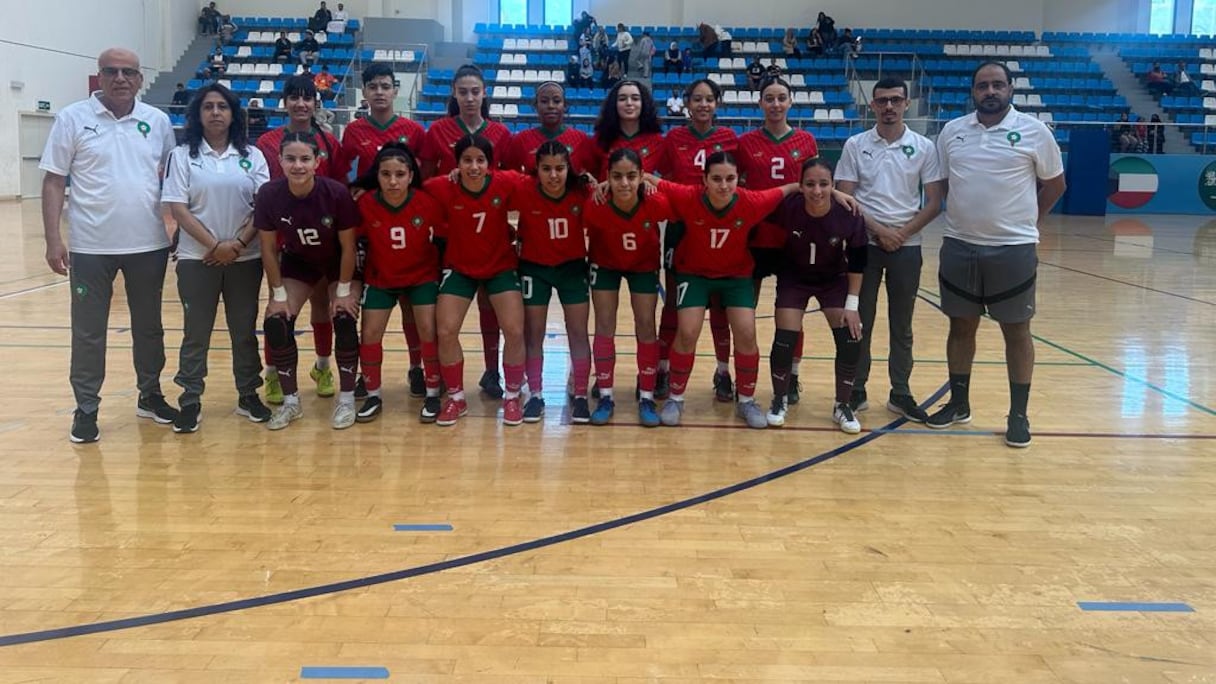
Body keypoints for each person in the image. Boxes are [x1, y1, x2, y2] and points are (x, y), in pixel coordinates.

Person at [40, 47, 178, 443]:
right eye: (111, 71)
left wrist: (172, 228)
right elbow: (53, 181)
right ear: (98, 77)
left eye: (129, 72)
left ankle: (150, 395)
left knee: (149, 328)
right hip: (89, 247)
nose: (120, 78)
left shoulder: (158, 120)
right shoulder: (72, 118)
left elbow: (172, 179)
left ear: (140, 78)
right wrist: (54, 239)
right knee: (88, 332)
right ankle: (86, 408)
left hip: (148, 245)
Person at [931, 61, 1066, 448]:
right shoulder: (953, 132)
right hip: (959, 244)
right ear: (972, 92)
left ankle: (1018, 414)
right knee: (960, 328)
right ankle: (959, 404)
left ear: (1010, 89)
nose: (989, 91)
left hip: (1013, 249)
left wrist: (1029, 221)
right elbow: (941, 184)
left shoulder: (1034, 132)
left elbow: (1055, 185)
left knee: (1017, 332)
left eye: (997, 85)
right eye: (982, 86)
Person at [644, 154, 797, 429]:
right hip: (693, 274)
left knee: (747, 333)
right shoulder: (688, 196)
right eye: (716, 179)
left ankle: (747, 400)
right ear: (704, 180)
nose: (724, 185)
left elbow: (790, 187)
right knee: (688, 331)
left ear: (738, 180)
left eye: (730, 179)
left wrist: (834, 193)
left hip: (736, 276)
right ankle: (676, 399)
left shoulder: (750, 201)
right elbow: (650, 177)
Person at [162, 83, 272, 433]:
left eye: (222, 106)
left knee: (243, 330)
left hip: (245, 257)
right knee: (196, 332)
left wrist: (237, 243)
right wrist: (214, 246)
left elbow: (263, 206)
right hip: (198, 259)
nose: (215, 112)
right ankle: (190, 399)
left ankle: (248, 394)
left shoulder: (252, 155)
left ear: (233, 113)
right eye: (208, 106)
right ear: (197, 113)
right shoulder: (182, 156)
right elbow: (178, 207)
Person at [835, 77, 944, 423]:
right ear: (873, 106)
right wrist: (882, 232)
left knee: (903, 324)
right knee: (859, 322)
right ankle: (856, 389)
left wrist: (901, 234)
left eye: (896, 100)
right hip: (864, 245)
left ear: (906, 103)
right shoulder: (855, 144)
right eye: (882, 101)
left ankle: (901, 392)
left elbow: (935, 202)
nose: (889, 107)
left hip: (907, 247)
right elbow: (845, 197)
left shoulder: (925, 147)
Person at [255, 132, 361, 431]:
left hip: (336, 262)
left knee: (343, 316)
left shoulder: (335, 193)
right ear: (280, 161)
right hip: (299, 262)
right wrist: (277, 294)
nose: (298, 165)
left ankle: (348, 399)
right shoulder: (269, 194)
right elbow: (268, 248)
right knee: (276, 320)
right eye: (291, 159)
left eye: (305, 159)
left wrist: (342, 291)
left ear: (317, 161)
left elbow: (349, 247)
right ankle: (291, 403)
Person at [419, 64, 513, 398]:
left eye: (475, 91)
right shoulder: (437, 131)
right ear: (454, 95)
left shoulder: (500, 133)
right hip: (448, 232)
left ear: (484, 93)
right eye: (463, 92)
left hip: (489, 231)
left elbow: (508, 181)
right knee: (441, 310)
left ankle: (491, 371)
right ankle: (437, 374)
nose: (470, 98)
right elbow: (424, 183)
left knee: (490, 305)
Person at [255, 76, 349, 405]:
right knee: (277, 309)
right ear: (285, 102)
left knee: (323, 306)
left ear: (315, 103)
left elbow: (338, 190)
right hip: (283, 241)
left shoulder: (328, 142)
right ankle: (273, 374)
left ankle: (323, 367)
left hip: (321, 240)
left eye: (307, 98)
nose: (301, 104)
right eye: (294, 98)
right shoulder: (267, 142)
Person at [424, 136, 530, 426]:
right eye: (467, 160)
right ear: (456, 164)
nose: (473, 166)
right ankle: (457, 399)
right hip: (460, 268)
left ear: (489, 163)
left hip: (500, 267)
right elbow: (411, 189)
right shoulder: (443, 186)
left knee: (515, 330)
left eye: (480, 160)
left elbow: (540, 182)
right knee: (444, 330)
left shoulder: (505, 181)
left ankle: (511, 395)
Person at [341, 63, 428, 396]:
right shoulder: (353, 132)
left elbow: (421, 179)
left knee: (411, 304)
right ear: (364, 92)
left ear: (395, 90)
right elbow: (342, 174)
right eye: (373, 86)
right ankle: (368, 373)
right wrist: (355, 191)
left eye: (385, 86)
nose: (379, 91)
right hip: (369, 227)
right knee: (370, 302)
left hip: (406, 225)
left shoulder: (413, 130)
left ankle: (416, 367)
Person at [766, 159, 868, 433]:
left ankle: (842, 405)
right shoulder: (789, 208)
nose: (817, 191)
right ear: (800, 186)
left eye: (824, 184)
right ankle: (779, 398)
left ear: (833, 186)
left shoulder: (849, 213)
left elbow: (858, 260)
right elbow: (760, 207)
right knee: (784, 337)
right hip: (794, 277)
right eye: (810, 184)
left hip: (832, 280)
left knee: (850, 337)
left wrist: (852, 304)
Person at [736, 77, 821, 405]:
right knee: (745, 311)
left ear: (790, 102)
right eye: (769, 98)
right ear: (760, 103)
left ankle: (793, 374)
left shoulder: (806, 140)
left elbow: (815, 187)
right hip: (755, 236)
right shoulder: (746, 143)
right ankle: (743, 375)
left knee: (791, 312)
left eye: (781, 98)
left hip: (793, 236)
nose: (775, 104)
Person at [348, 144, 445, 423]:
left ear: (411, 175)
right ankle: (373, 394)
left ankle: (432, 390)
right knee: (370, 333)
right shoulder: (365, 204)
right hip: (381, 277)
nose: (393, 181)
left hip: (421, 276)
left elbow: (442, 236)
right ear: (376, 175)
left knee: (428, 328)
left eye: (400, 174)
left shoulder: (426, 202)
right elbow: (353, 243)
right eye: (386, 174)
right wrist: (352, 281)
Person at [657, 78, 738, 401]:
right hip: (681, 229)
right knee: (674, 304)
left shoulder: (729, 139)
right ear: (687, 104)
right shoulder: (674, 138)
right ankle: (662, 369)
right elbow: (660, 179)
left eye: (709, 99)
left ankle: (723, 373)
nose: (703, 105)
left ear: (717, 103)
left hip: (719, 228)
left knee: (720, 305)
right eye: (697, 99)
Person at [583, 149, 675, 426]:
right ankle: (606, 395)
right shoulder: (596, 204)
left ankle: (647, 395)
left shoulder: (656, 202)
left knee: (646, 325)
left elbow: (682, 204)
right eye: (617, 176)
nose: (624, 183)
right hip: (605, 263)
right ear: (607, 178)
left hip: (643, 266)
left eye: (631, 176)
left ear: (641, 176)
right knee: (604, 325)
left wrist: (654, 182)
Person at [512, 141, 595, 423]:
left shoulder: (582, 191)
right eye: (546, 169)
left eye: (560, 168)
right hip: (534, 269)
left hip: (572, 268)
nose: (554, 175)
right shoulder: (523, 188)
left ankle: (581, 394)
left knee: (578, 332)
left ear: (568, 168)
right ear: (536, 169)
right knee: (533, 333)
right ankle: (535, 394)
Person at [574, 79, 666, 179]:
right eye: (622, 99)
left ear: (644, 103)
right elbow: (588, 175)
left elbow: (669, 176)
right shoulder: (600, 140)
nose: (629, 103)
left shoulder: (657, 142)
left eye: (635, 99)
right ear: (614, 104)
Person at [502, 81, 589, 173]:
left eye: (556, 101)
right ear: (536, 106)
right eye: (544, 101)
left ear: (565, 105)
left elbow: (591, 174)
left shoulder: (581, 139)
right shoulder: (521, 139)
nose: (551, 106)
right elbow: (510, 175)